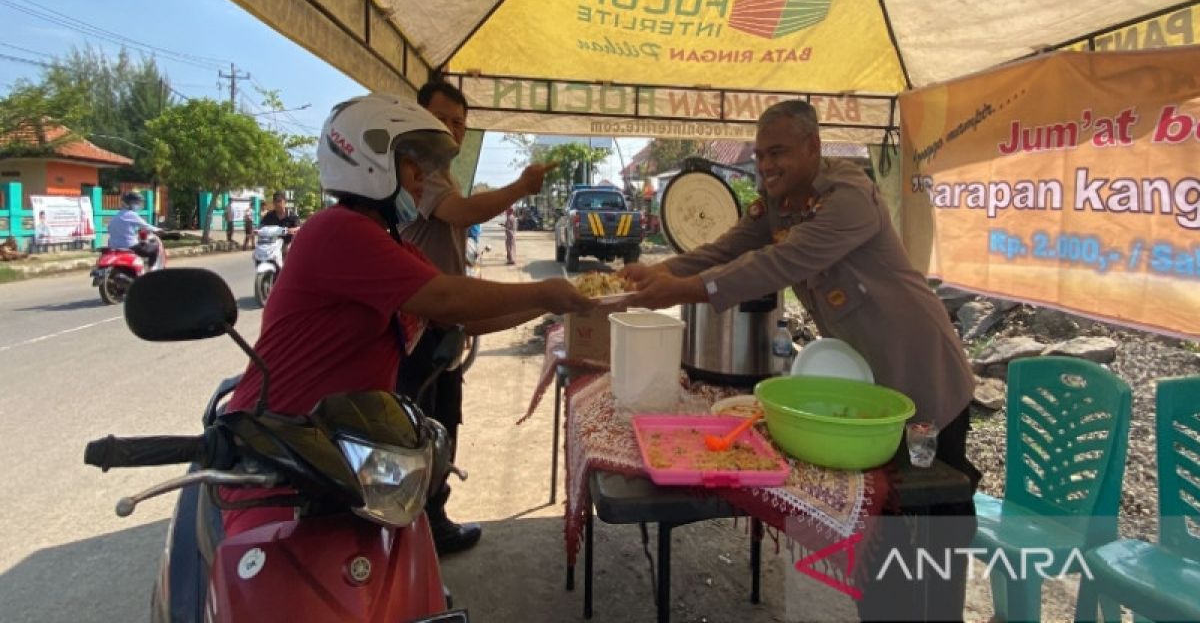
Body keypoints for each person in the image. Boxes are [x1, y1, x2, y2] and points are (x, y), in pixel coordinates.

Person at [619, 99, 978, 620]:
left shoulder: (848, 197)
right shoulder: (779, 203)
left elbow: (780, 262)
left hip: (922, 371)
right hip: (867, 385)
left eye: (779, 152)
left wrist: (685, 289)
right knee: (883, 513)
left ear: (813, 147)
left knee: (937, 509)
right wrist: (660, 271)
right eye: (761, 155)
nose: (766, 166)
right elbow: (728, 249)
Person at [221, 94, 592, 538]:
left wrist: (556, 302)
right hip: (281, 454)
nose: (423, 179)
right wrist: (546, 290)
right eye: (413, 165)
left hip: (340, 453)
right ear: (369, 161)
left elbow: (459, 321)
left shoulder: (393, 244)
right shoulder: (339, 231)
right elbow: (447, 299)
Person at [397, 78, 556, 554]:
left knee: (445, 421)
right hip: (422, 321)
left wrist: (546, 299)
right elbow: (463, 213)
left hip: (444, 322)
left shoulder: (439, 171)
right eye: (441, 118)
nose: (450, 129)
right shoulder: (419, 169)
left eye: (459, 123)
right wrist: (522, 187)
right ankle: (414, 529)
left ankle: (432, 518)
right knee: (421, 426)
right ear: (418, 117)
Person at [106, 191, 160, 262]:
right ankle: (152, 271)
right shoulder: (131, 214)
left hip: (113, 246)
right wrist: (160, 230)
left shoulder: (118, 214)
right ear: (129, 204)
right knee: (155, 248)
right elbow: (146, 226)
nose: (139, 205)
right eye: (137, 203)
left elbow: (109, 228)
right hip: (129, 246)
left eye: (139, 203)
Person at [260, 191, 300, 258]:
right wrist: (257, 231)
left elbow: (298, 228)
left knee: (287, 250)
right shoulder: (269, 215)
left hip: (287, 244)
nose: (277, 203)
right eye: (274, 201)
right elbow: (261, 226)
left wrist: (290, 230)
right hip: (272, 245)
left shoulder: (292, 215)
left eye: (279, 201)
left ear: (285, 202)